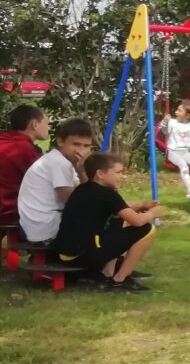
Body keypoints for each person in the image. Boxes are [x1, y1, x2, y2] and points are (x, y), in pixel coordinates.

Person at [50, 152, 162, 293]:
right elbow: (138, 221)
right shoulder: (108, 194)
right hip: (82, 256)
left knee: (118, 219)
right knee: (147, 230)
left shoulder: (82, 189)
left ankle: (107, 274)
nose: (123, 176)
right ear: (100, 174)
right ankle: (119, 280)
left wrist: (141, 206)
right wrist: (153, 213)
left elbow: (121, 207)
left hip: (66, 255)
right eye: (118, 172)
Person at [16, 117, 94, 245]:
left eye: (86, 146)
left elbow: (88, 193)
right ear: (60, 141)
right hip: (44, 228)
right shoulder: (58, 163)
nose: (81, 150)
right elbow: (73, 200)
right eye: (76, 144)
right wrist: (83, 171)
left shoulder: (63, 161)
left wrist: (81, 172)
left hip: (42, 224)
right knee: (106, 219)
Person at [0, 104, 47, 227]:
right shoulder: (25, 150)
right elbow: (44, 183)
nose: (48, 128)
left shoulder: (4, 140)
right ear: (35, 124)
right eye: (47, 124)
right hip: (11, 212)